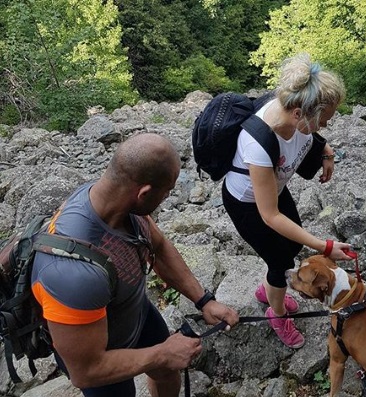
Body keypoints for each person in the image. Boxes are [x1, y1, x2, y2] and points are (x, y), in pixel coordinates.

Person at [31, 133, 239, 397]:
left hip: (134, 310)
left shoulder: (119, 201)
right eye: (168, 191)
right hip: (101, 353)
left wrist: (204, 300)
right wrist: (162, 353)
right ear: (144, 192)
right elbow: (86, 371)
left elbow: (159, 247)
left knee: (166, 371)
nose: (168, 197)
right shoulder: (72, 273)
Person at [222, 53, 353, 349]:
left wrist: (327, 152)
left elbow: (309, 138)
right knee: (281, 261)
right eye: (324, 121)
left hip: (274, 189)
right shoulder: (257, 142)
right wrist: (324, 246)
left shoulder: (297, 109)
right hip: (247, 204)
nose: (325, 127)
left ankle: (268, 290)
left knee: (292, 246)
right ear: (298, 114)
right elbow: (269, 216)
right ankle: (276, 313)